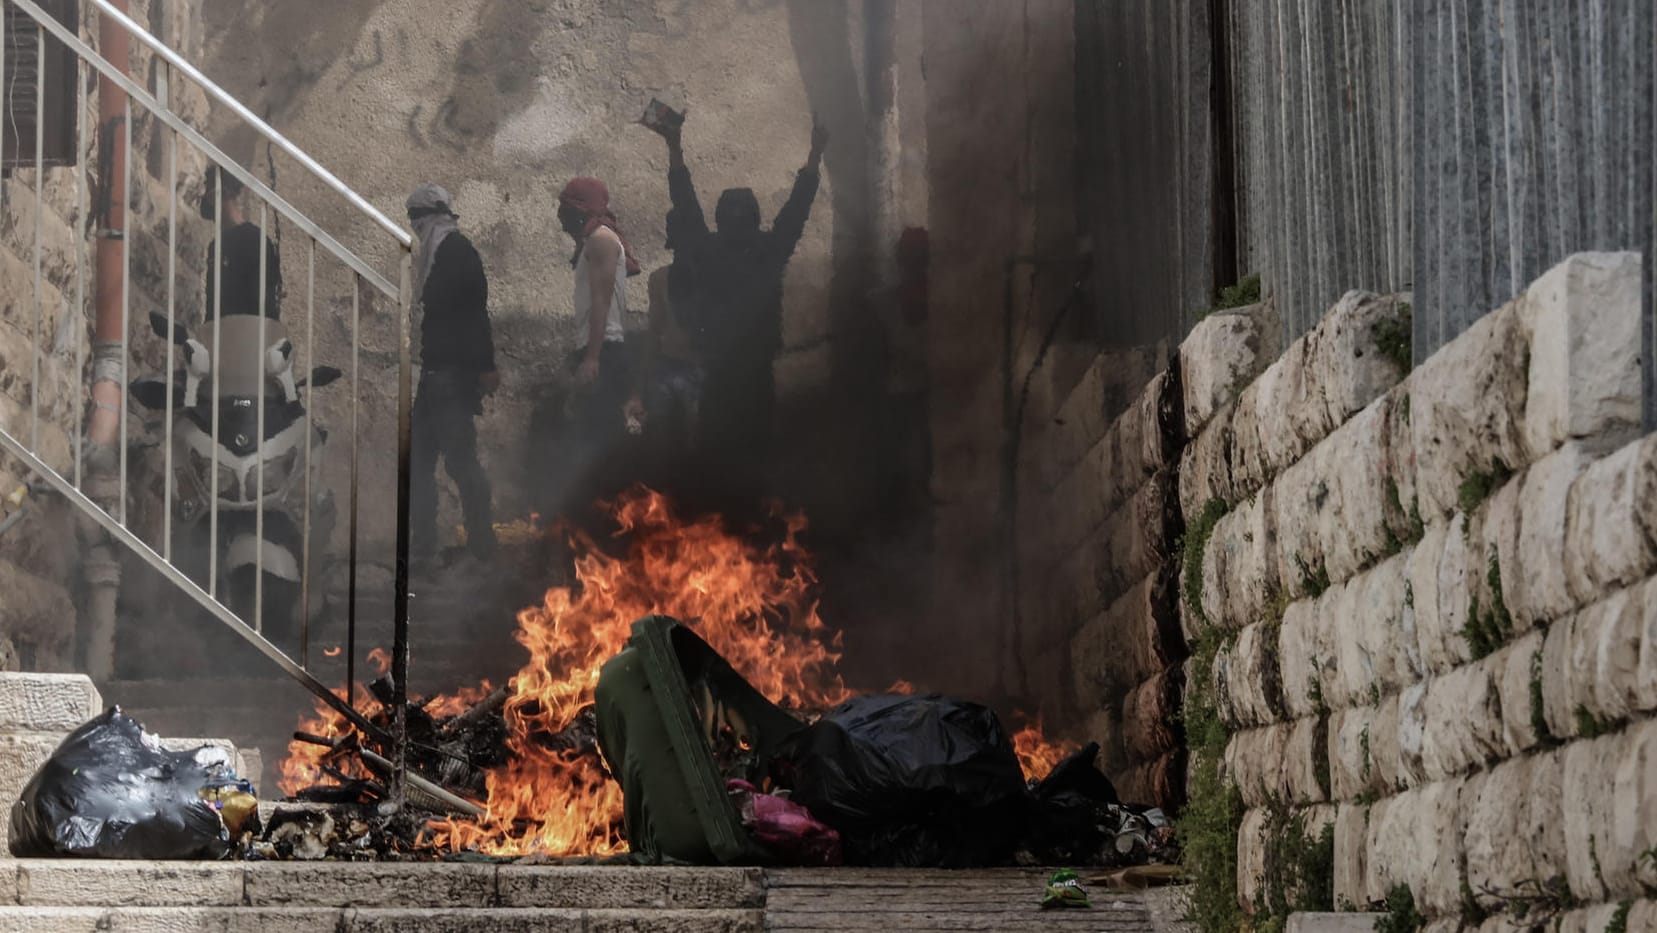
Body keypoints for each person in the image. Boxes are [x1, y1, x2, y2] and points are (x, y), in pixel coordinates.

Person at [646, 114, 827, 482]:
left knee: (717, 457)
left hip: (718, 373)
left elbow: (685, 203)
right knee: (755, 456)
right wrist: (815, 153)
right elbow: (796, 210)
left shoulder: (708, 252)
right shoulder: (769, 251)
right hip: (754, 374)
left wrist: (674, 146)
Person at [405, 183, 499, 571]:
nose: (414, 227)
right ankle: (423, 544)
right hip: (435, 373)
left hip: (452, 376)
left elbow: (476, 313)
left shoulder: (456, 252)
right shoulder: (437, 252)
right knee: (418, 463)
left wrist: (486, 366)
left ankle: (482, 544)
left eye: (416, 219)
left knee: (460, 462)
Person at [557, 176, 638, 494]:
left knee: (600, 440)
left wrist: (591, 357)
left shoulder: (602, 240)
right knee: (591, 436)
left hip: (605, 349)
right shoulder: (592, 241)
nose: (562, 216)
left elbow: (602, 299)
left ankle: (614, 514)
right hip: (597, 348)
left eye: (567, 207)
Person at [624, 207, 704, 456]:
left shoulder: (714, 279)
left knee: (699, 445)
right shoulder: (661, 279)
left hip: (703, 373)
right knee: (663, 446)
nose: (684, 251)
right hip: (668, 371)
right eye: (679, 244)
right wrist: (637, 392)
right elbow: (653, 334)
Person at [201, 164, 282, 320]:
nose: (211, 200)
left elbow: (264, 299)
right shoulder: (216, 246)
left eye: (213, 193)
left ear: (227, 192)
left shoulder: (254, 239)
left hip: (250, 332)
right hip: (221, 336)